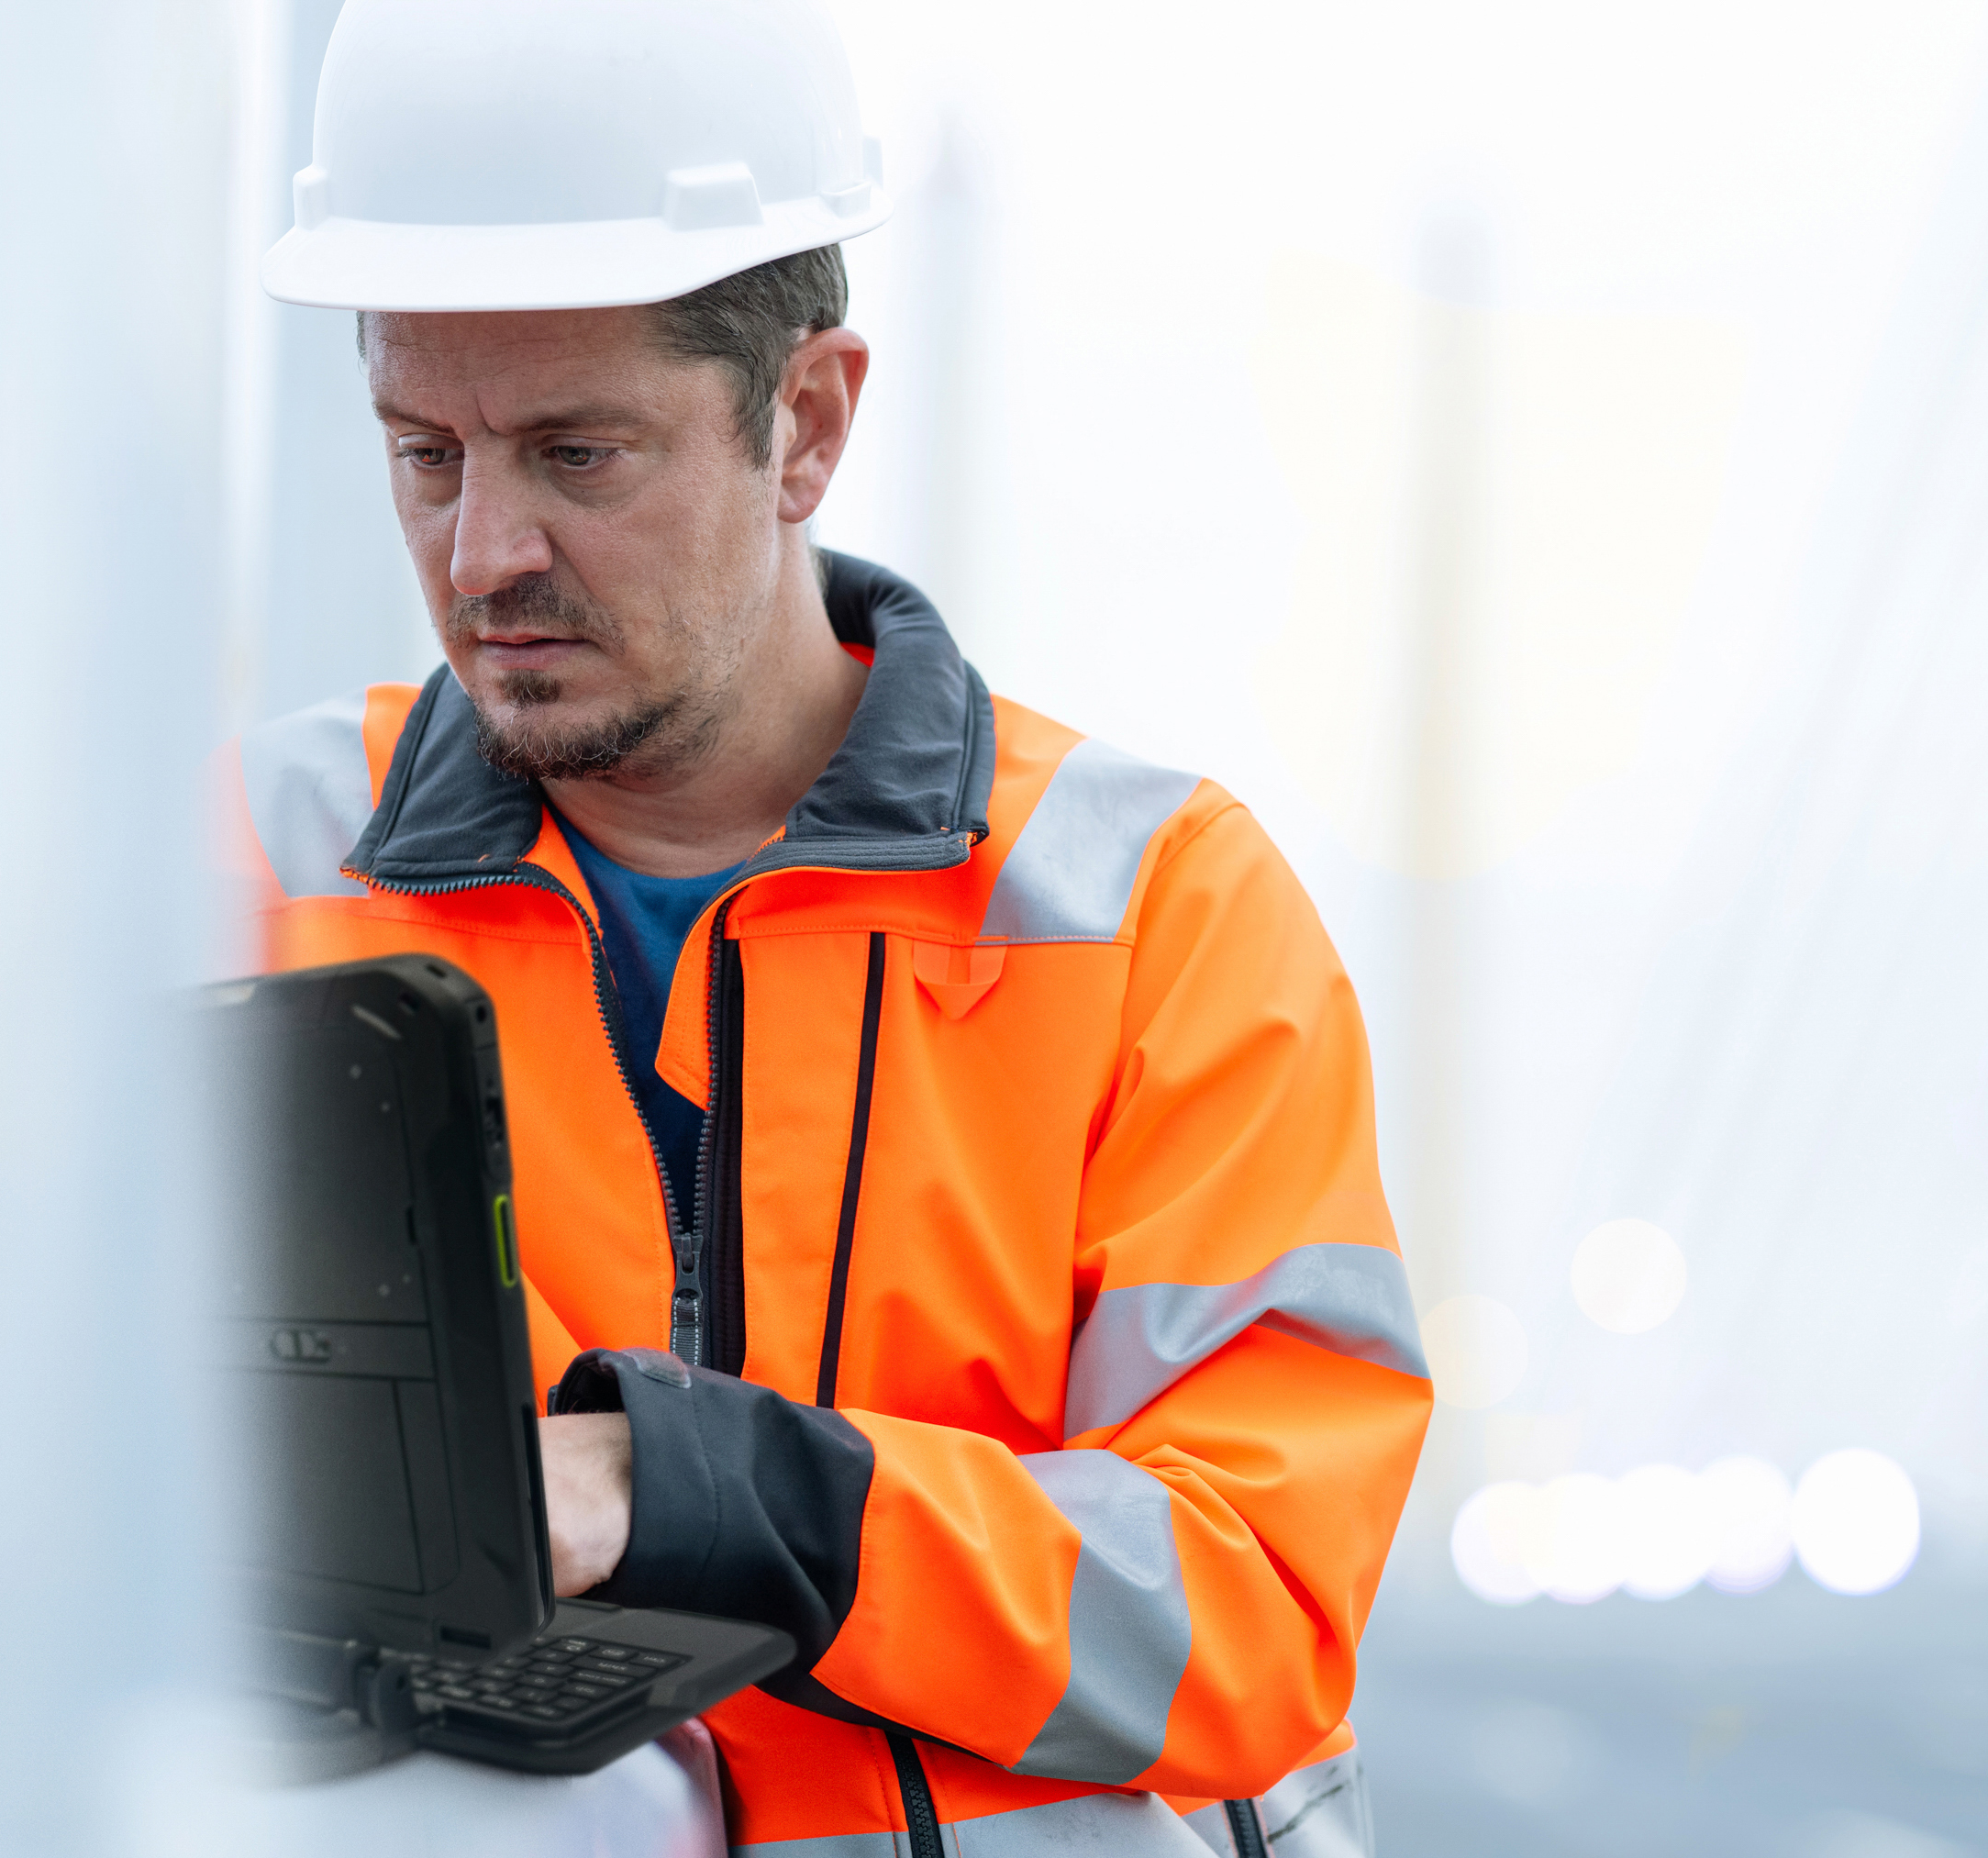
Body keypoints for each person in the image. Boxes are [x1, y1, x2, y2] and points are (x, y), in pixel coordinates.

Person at [222, 4, 1428, 1851]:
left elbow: (1254, 1603)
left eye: (579, 454)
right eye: (424, 452)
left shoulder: (1156, 909)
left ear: (807, 419)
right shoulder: (255, 866)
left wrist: (700, 1490)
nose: (481, 556)